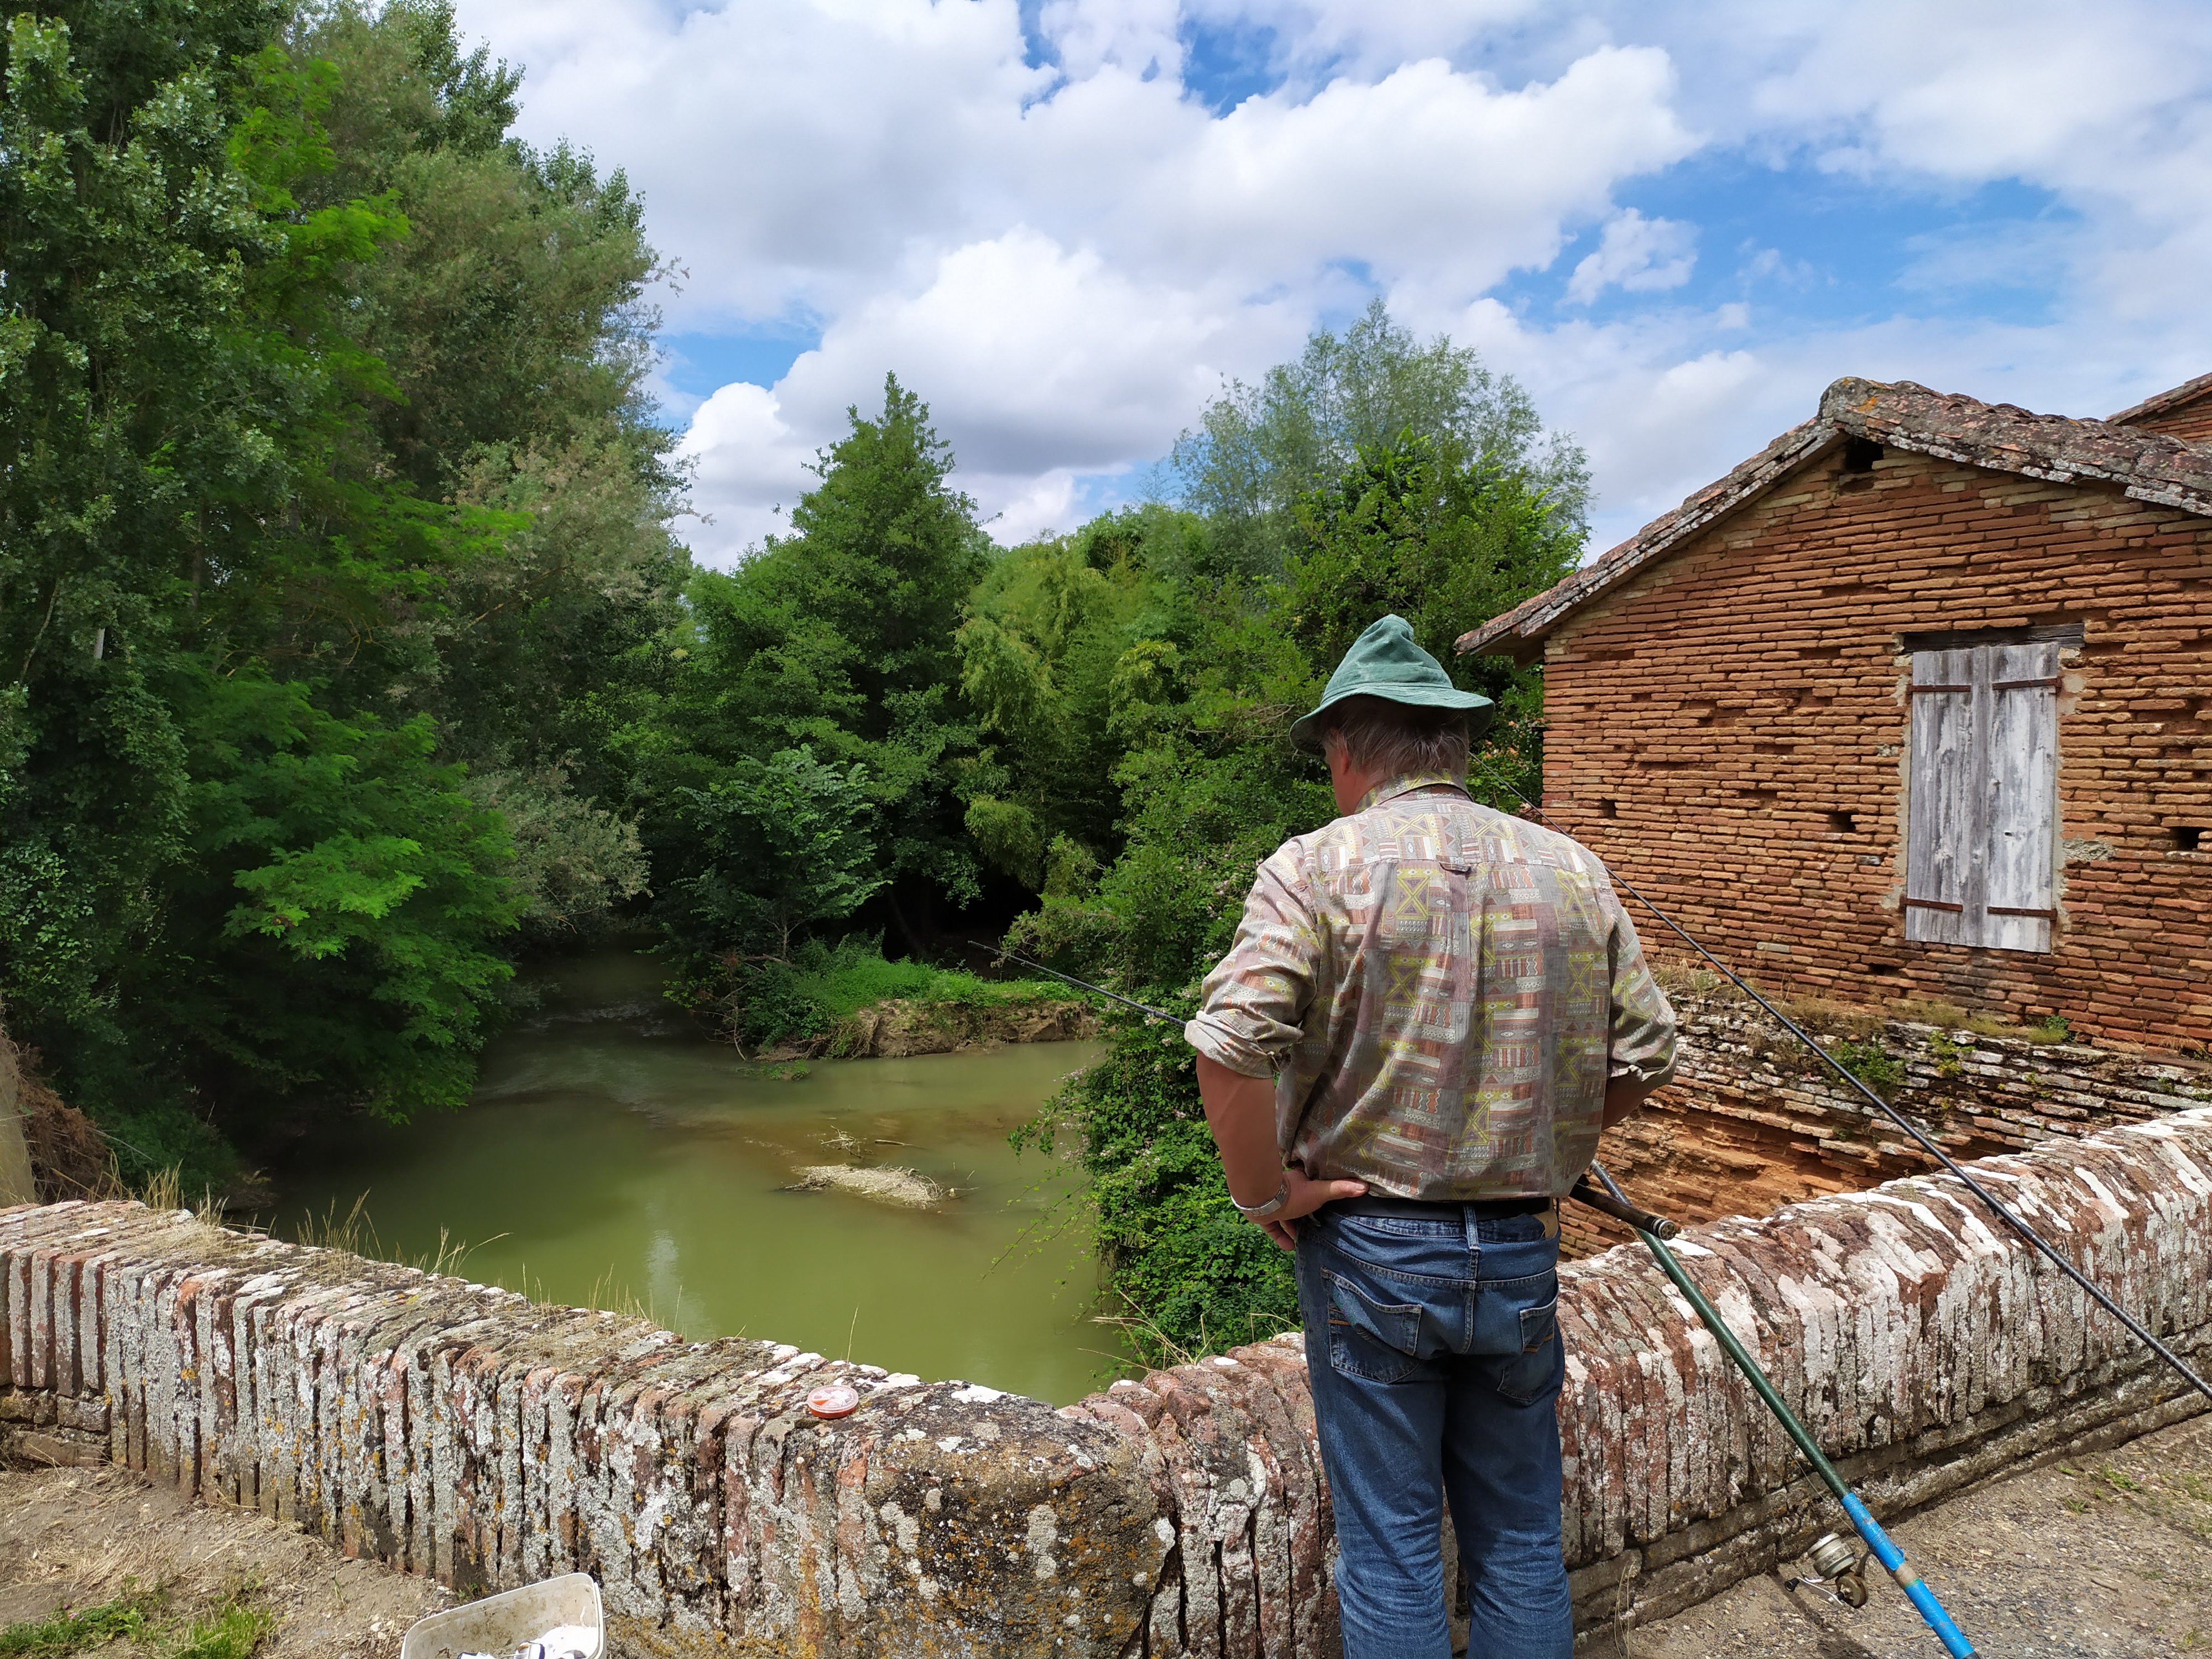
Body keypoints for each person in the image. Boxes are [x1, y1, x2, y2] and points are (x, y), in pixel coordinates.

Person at [1183, 614, 1678, 1659]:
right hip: (1517, 1248)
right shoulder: (1570, 868)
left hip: (1372, 1250)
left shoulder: (1316, 867)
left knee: (1396, 1548)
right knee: (1520, 1540)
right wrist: (1555, 1142)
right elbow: (1646, 1054)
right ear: (1454, 747)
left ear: (1351, 752)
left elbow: (1229, 1049)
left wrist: (1268, 1197)